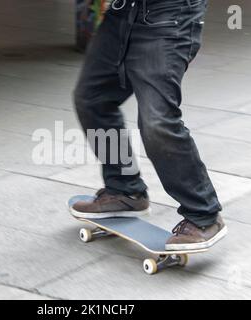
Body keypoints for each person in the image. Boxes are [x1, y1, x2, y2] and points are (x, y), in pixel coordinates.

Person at [71, 0, 227, 251]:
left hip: (170, 14)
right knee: (92, 98)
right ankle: (125, 191)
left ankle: (204, 216)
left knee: (157, 120)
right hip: (121, 13)